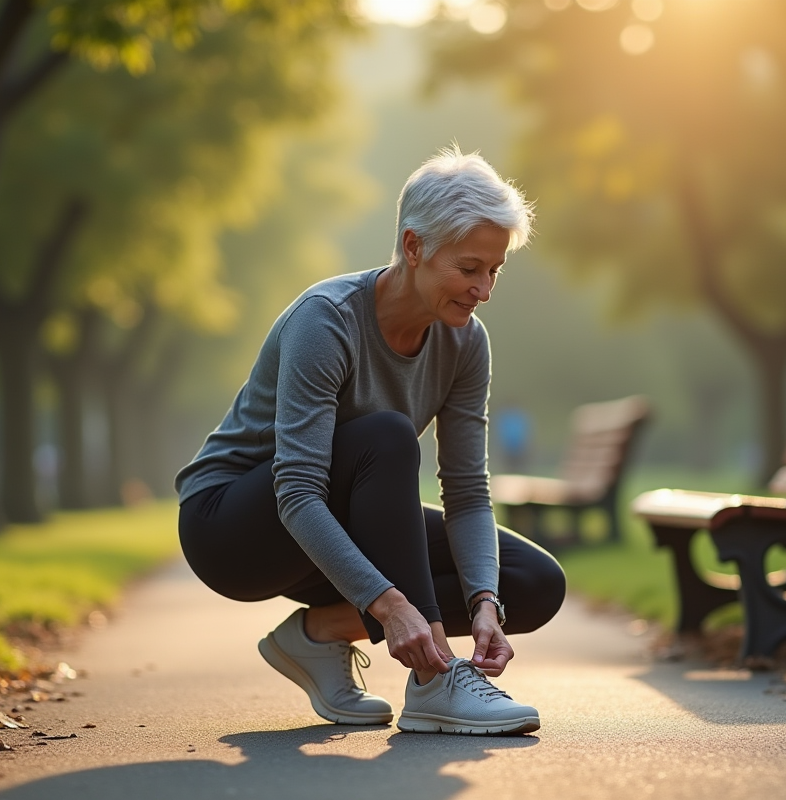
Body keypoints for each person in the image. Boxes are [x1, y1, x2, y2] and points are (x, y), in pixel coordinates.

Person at [175, 146, 566, 736]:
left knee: (530, 583)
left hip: (333, 523)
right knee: (385, 435)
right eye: (469, 268)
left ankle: (318, 636)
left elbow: (466, 491)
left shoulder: (466, 342)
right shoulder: (326, 319)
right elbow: (298, 492)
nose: (484, 289)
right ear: (413, 247)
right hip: (233, 529)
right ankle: (435, 680)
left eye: (494, 270)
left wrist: (484, 601)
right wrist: (390, 605)